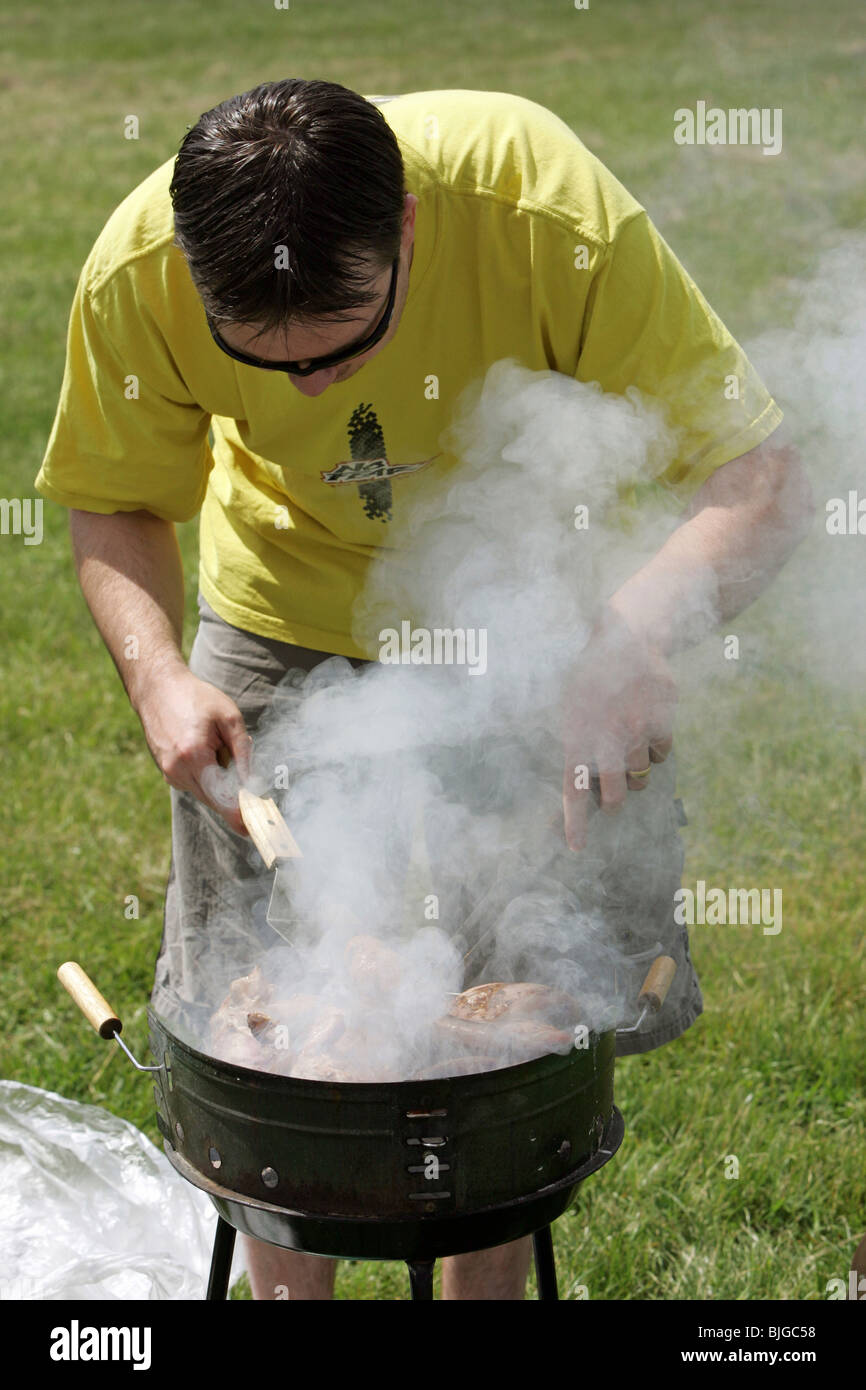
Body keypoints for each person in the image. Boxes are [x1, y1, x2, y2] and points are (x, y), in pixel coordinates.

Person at [36, 79, 812, 1300]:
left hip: (522, 609)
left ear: (404, 226)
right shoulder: (140, 265)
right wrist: (159, 676)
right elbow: (113, 493)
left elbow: (758, 480)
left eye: (344, 344)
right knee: (262, 1014)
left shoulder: (540, 208)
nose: (308, 392)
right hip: (281, 601)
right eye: (263, 361)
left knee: (508, 1014)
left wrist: (631, 637)